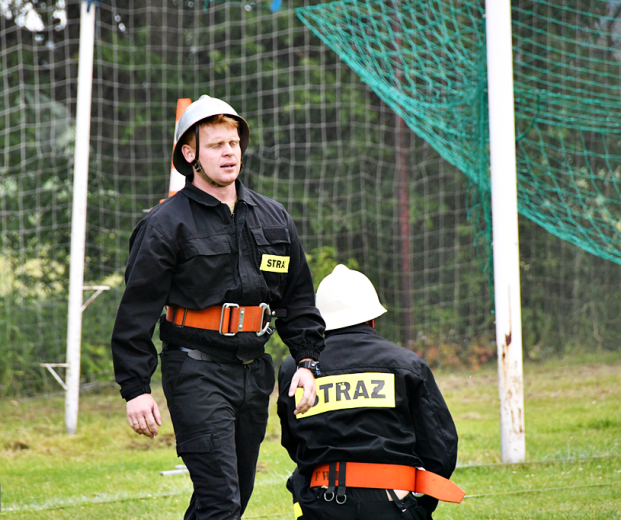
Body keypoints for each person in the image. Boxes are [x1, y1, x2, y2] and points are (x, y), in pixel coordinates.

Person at [111, 95, 326, 520]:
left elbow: (298, 299)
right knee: (219, 499)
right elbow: (135, 313)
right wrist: (136, 388)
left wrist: (307, 360)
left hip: (254, 372)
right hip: (194, 371)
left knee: (234, 497)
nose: (229, 153)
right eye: (215, 145)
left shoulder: (274, 218)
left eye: (234, 143)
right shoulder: (164, 224)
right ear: (189, 154)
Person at [277, 264, 462, 520]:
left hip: (323, 504)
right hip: (394, 504)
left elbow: (293, 441)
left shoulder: (295, 369)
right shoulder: (407, 365)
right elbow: (440, 449)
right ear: (372, 319)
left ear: (321, 321)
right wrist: (418, 507)